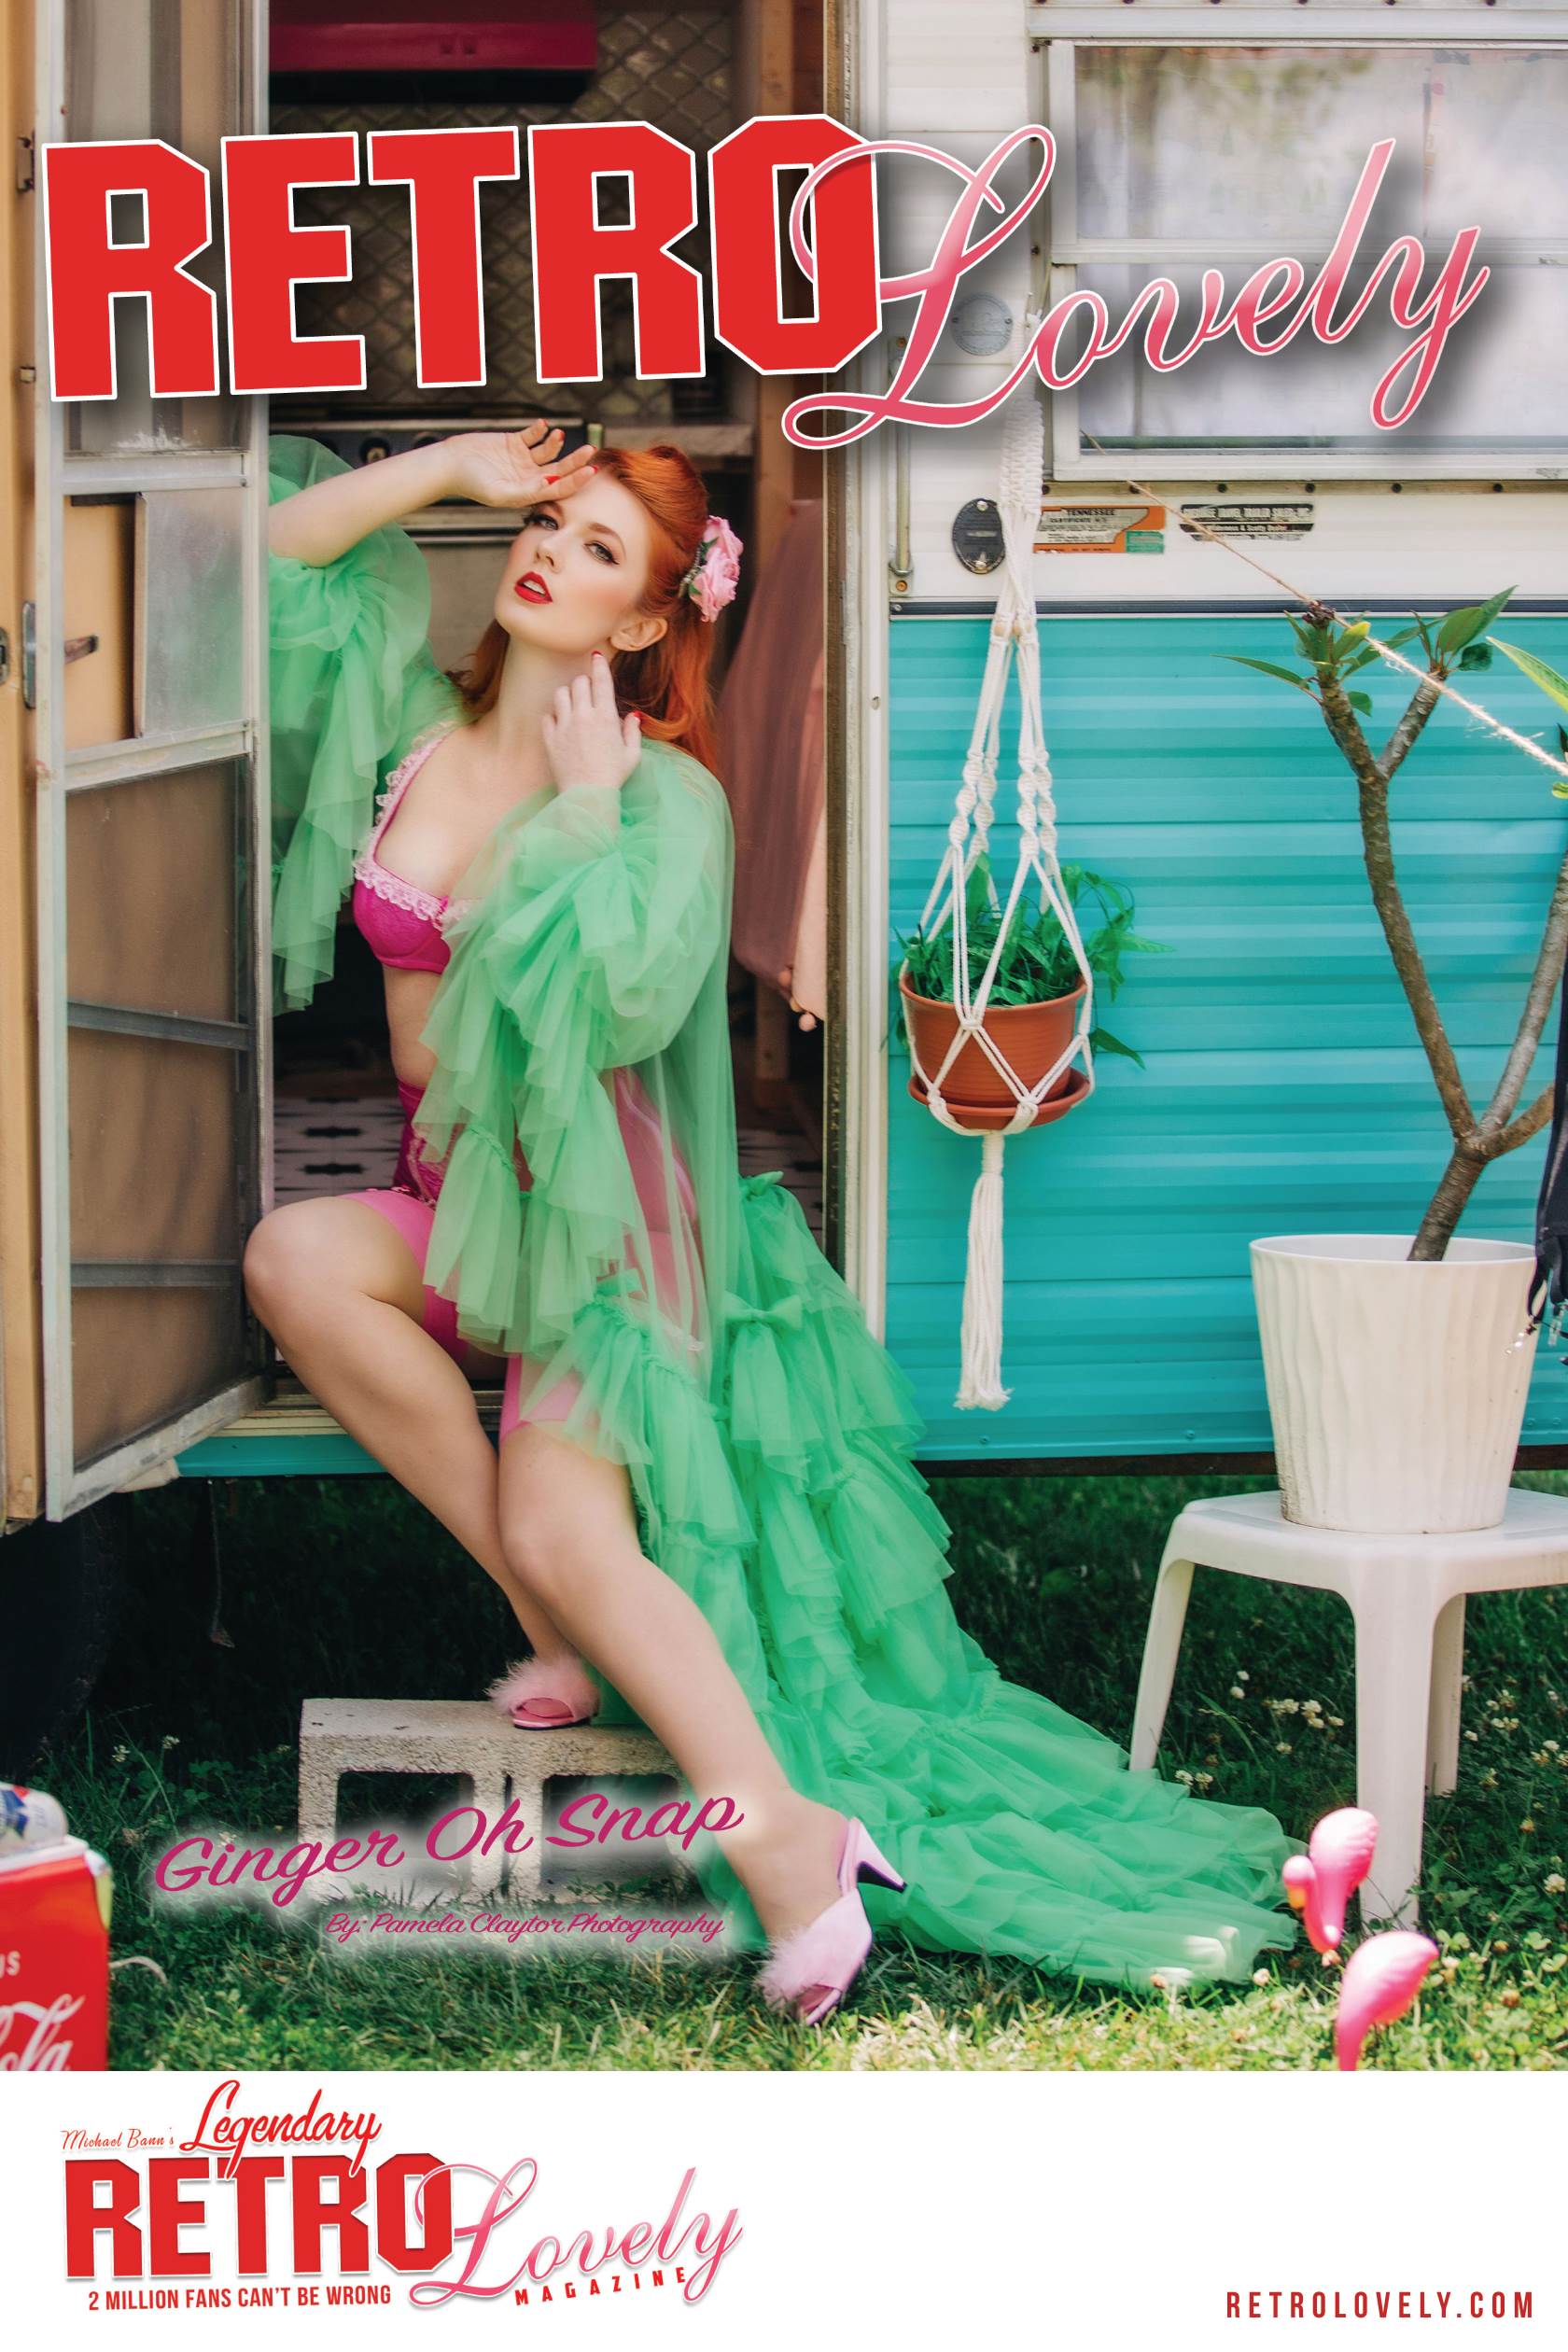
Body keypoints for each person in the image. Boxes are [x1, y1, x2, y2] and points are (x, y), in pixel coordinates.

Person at [247, 422, 1300, 2025]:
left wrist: (587, 810)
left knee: (573, 1525)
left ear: (644, 619)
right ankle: (546, 1622)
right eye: (549, 525)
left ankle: (793, 1842)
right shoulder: (416, 732)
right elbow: (271, 565)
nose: (547, 556)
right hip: (451, 1200)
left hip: (603, 1232)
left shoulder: (665, 796)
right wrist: (455, 464)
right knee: (294, 1259)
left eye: (599, 550)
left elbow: (617, 1007)